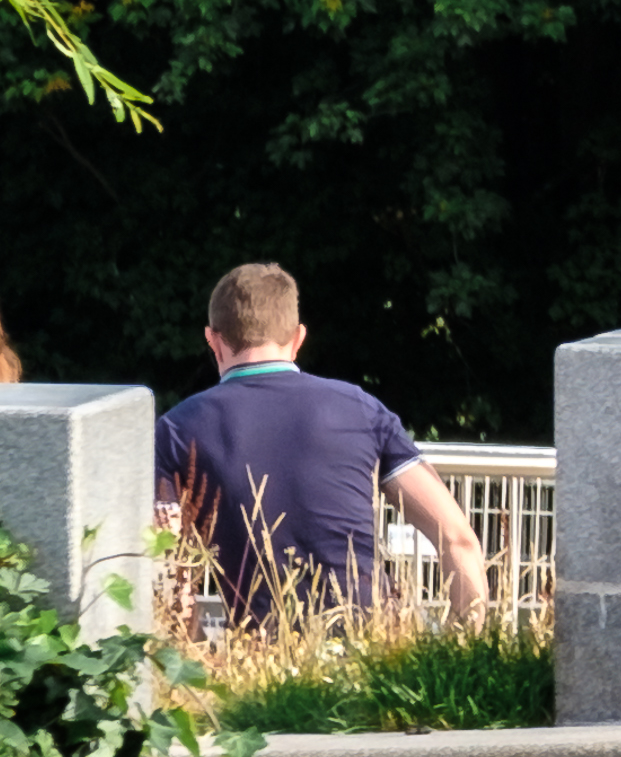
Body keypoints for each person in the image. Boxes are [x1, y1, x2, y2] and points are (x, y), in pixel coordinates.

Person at [155, 262, 491, 626]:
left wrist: (199, 664)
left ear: (213, 340)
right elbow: (459, 541)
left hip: (264, 659)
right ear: (298, 338)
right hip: (378, 648)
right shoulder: (361, 410)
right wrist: (463, 650)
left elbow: (168, 572)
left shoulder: (177, 429)